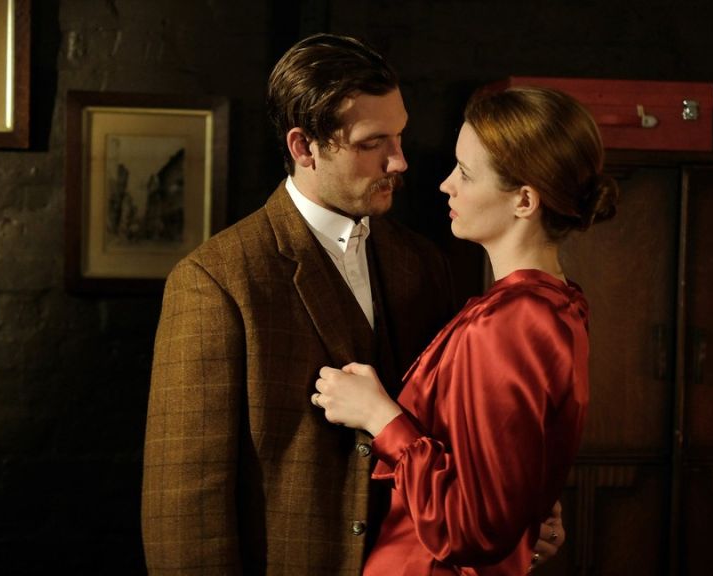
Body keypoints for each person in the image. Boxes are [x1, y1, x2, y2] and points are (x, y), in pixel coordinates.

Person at [142, 34, 564, 575]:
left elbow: (465, 435)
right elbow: (184, 513)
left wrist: (516, 508)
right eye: (372, 143)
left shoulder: (423, 263)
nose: (399, 161)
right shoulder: (215, 282)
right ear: (304, 147)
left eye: (400, 135)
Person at [312, 85, 619, 575]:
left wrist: (379, 416)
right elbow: (501, 480)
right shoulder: (557, 305)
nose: (446, 185)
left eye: (466, 173)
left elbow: (468, 528)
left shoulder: (510, 322)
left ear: (524, 200)